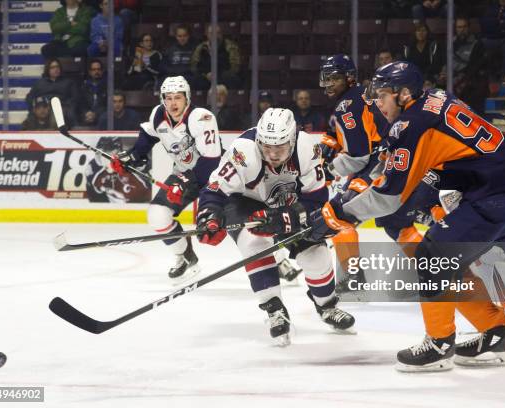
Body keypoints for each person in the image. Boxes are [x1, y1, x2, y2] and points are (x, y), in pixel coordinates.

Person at [308, 61, 505, 372]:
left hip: (499, 193)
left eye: (382, 96)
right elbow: (403, 160)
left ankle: (439, 343)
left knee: (434, 254)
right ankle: (495, 335)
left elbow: (388, 197)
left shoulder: (411, 124)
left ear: (404, 94)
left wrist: (339, 212)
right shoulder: (434, 99)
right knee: (446, 261)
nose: (377, 103)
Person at [196, 108, 356, 345]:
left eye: (279, 147)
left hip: (288, 203)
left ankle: (327, 306)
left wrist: (286, 217)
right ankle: (274, 309)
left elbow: (317, 200)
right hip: (244, 201)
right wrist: (209, 215)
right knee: (254, 243)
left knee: (315, 254)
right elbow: (214, 190)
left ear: (291, 141)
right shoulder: (243, 151)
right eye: (266, 146)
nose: (271, 153)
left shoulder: (306, 149)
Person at [109, 76, 221, 279]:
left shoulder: (201, 117)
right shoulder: (159, 114)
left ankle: (279, 261)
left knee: (238, 221)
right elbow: (148, 134)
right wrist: (133, 157)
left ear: (187, 98)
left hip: (216, 177)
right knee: (157, 215)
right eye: (168, 98)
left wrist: (185, 183)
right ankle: (186, 257)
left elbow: (212, 161)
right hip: (184, 174)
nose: (172, 103)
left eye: (178, 97)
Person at [318, 54, 387, 287]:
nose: (328, 84)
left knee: (336, 215)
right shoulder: (357, 96)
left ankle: (354, 278)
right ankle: (436, 272)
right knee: (400, 225)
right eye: (325, 79)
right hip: (396, 158)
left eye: (333, 79)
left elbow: (358, 156)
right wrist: (328, 145)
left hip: (378, 164)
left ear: (349, 78)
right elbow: (333, 133)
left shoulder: (346, 106)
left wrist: (329, 169)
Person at [85, 136, 150, 203]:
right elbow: (96, 189)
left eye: (107, 153)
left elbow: (147, 194)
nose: (103, 159)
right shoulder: (96, 170)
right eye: (101, 153)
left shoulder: (132, 170)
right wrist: (107, 190)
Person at [26, 58, 80, 128]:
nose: (56, 69)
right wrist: (36, 106)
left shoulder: (69, 82)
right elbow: (29, 97)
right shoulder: (40, 83)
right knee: (31, 116)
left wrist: (65, 105)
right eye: (52, 67)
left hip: (62, 107)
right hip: (44, 107)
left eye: (57, 67)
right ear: (48, 69)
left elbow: (75, 98)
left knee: (57, 114)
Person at [190, 24, 241, 90]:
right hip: (206, 77)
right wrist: (206, 74)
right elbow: (194, 66)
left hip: (223, 76)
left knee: (233, 79)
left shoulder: (230, 46)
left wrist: (218, 75)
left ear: (221, 34)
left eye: (218, 33)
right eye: (212, 33)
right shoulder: (201, 47)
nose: (215, 36)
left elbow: (235, 66)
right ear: (207, 35)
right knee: (195, 80)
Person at [78, 59, 107, 128]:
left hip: (102, 116)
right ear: (90, 72)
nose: (96, 71)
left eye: (98, 69)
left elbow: (107, 105)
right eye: (93, 69)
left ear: (102, 71)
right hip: (86, 116)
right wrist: (86, 113)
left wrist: (95, 114)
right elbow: (80, 104)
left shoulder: (108, 86)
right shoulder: (83, 86)